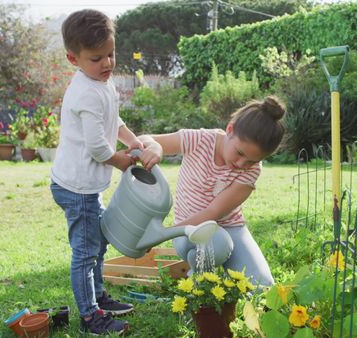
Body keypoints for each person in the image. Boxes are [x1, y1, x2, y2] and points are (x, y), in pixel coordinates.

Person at [50, 9, 145, 335]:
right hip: (77, 187)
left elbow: (112, 121)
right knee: (85, 252)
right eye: (96, 58)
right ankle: (91, 316)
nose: (107, 64)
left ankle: (99, 296)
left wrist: (132, 140)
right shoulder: (86, 92)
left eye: (110, 54)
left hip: (85, 184)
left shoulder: (103, 83)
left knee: (97, 244)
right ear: (73, 58)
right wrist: (120, 160)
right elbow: (97, 149)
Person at [138, 96, 286, 287]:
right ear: (230, 129)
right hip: (188, 230)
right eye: (240, 153)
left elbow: (213, 213)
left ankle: (202, 268)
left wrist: (160, 235)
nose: (242, 164)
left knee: (262, 286)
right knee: (218, 244)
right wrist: (156, 146)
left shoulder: (252, 171)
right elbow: (142, 140)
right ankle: (199, 282)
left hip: (230, 227)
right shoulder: (199, 140)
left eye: (252, 160)